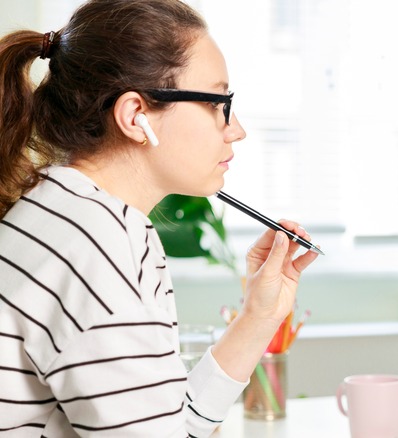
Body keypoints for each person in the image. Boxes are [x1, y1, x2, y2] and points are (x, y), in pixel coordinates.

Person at [0, 0, 319, 435]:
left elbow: (168, 423)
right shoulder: (99, 245)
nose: (236, 128)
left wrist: (258, 318)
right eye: (217, 103)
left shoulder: (60, 211)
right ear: (136, 116)